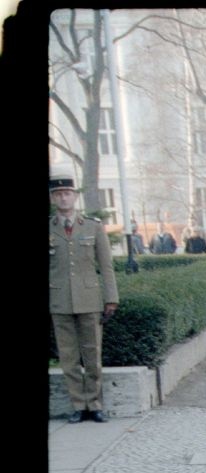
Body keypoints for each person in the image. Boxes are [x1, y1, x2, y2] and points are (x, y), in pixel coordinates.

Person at [49, 169, 119, 424]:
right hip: (59, 302)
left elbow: (106, 266)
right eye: (58, 194)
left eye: (67, 193)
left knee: (92, 354)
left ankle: (95, 404)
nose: (63, 199)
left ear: (75, 197)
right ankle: (78, 405)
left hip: (90, 299)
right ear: (53, 199)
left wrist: (111, 297)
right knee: (68, 357)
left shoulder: (93, 227)